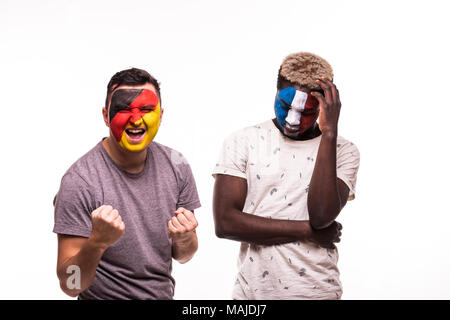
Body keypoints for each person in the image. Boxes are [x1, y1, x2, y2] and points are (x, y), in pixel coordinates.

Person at [212, 52, 360, 299]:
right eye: (285, 106)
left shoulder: (344, 151)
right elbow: (226, 223)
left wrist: (329, 133)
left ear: (325, 107)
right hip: (252, 297)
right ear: (275, 91)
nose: (293, 120)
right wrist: (308, 232)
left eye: (307, 112)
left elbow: (322, 216)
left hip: (318, 292)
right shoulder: (242, 141)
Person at [53, 68, 201, 299]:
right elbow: (71, 285)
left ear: (160, 115)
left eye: (146, 109)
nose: (135, 119)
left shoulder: (177, 164)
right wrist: (97, 242)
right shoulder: (80, 181)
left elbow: (184, 255)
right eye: (123, 109)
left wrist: (184, 237)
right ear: (105, 115)